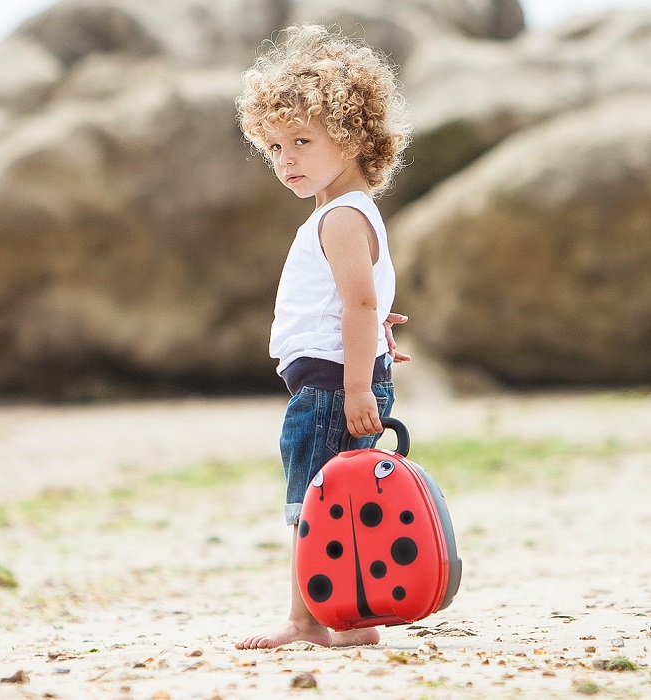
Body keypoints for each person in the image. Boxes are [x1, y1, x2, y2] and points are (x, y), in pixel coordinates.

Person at [235, 24, 412, 649]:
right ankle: (352, 618)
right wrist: (375, 340)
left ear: (354, 137)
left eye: (302, 141)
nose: (286, 160)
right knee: (347, 503)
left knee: (317, 509)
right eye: (276, 146)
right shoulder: (348, 212)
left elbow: (359, 302)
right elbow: (363, 302)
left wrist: (359, 382)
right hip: (339, 381)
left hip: (332, 390)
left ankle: (309, 618)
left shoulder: (339, 217)